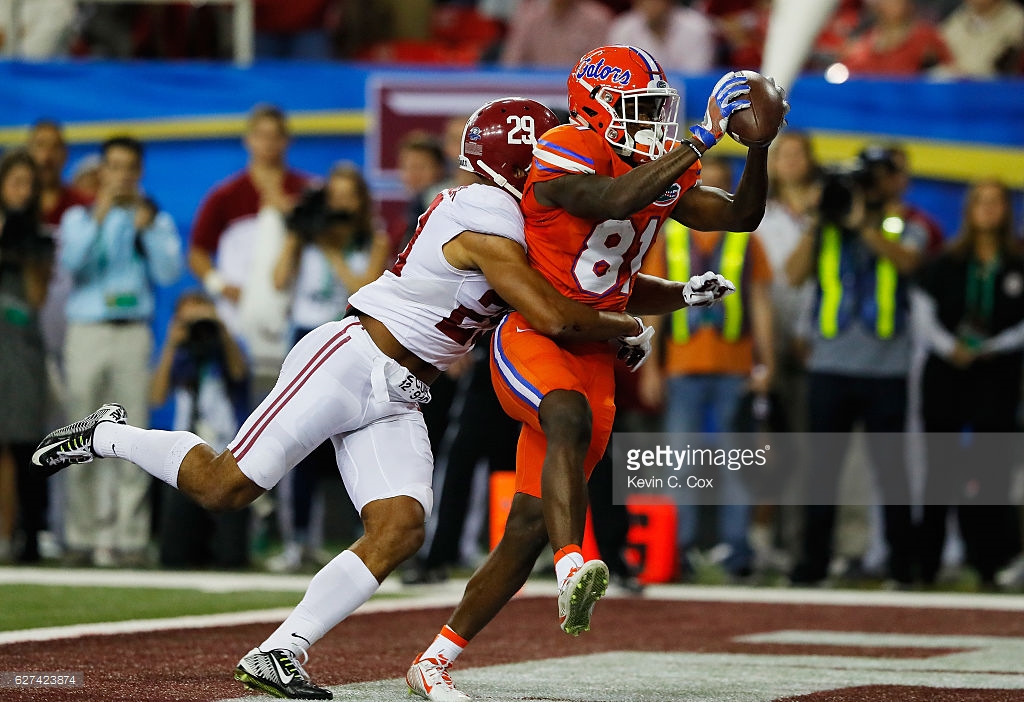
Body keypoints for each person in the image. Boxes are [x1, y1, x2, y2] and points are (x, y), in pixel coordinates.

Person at [33, 97, 662, 700]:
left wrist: (662, 300)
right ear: (519, 161)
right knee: (225, 488)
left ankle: (282, 649)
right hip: (353, 358)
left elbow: (591, 287)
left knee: (401, 527)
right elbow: (553, 312)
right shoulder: (484, 213)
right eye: (547, 154)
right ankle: (107, 434)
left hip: (403, 391)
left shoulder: (524, 220)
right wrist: (626, 328)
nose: (563, 163)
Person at [408, 46, 785, 701]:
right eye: (637, 109)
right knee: (564, 413)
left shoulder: (656, 166)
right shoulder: (565, 147)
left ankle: (433, 662)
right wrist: (701, 139)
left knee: (524, 526)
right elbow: (613, 199)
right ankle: (574, 564)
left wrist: (759, 150)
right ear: (594, 108)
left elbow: (741, 217)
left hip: (597, 353)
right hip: (535, 331)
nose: (651, 123)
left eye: (656, 111)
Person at [785, 152, 926, 587]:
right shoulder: (824, 228)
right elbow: (793, 275)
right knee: (822, 470)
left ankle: (904, 567)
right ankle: (813, 566)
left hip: (886, 369)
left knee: (892, 472)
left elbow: (910, 263)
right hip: (830, 366)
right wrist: (817, 219)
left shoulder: (902, 222)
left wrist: (863, 223)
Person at [642, 156, 775, 580]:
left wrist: (766, 361)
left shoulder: (747, 241)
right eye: (705, 187)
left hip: (735, 367)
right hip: (681, 367)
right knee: (680, 463)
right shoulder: (670, 238)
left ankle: (737, 552)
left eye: (721, 187)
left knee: (736, 463)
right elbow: (654, 304)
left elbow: (759, 302)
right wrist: (649, 366)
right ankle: (677, 551)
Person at [57, 135, 184, 568]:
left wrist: (146, 228)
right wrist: (100, 215)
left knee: (133, 434)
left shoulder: (154, 219)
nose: (123, 175)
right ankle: (81, 535)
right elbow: (72, 264)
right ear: (102, 172)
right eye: (115, 167)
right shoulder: (79, 217)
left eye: (131, 167)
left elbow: (169, 272)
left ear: (140, 172)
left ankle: (128, 538)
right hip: (87, 331)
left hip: (132, 333)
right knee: (79, 434)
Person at [267, 162, 390, 572]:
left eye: (347, 196)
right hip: (304, 336)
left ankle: (365, 541)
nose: (339, 204)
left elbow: (366, 291)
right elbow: (279, 280)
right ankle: (297, 539)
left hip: (349, 339)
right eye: (332, 196)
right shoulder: (307, 236)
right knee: (295, 441)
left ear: (360, 201)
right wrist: (298, 236)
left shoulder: (372, 237)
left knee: (348, 443)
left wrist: (333, 250)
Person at [912, 179, 1024, 587]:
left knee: (991, 470)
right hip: (946, 373)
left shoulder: (1017, 262)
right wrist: (949, 347)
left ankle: (988, 564)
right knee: (939, 469)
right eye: (981, 202)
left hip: (996, 374)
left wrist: (996, 345)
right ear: (969, 209)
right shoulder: (945, 262)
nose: (989, 209)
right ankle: (927, 565)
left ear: (1007, 210)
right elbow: (923, 313)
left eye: (997, 202)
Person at [189, 103, 311, 372]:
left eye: (275, 136)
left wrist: (290, 211)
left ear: (286, 141)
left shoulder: (305, 192)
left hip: (291, 310)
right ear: (248, 140)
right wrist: (220, 285)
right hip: (237, 312)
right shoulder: (225, 196)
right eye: (261, 135)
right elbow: (197, 251)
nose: (268, 143)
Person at [151, 290, 251, 569]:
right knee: (173, 558)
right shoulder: (180, 354)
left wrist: (221, 330)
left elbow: (239, 374)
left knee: (232, 558)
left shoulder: (229, 347)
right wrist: (172, 345)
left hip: (227, 454)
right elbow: (156, 397)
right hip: (184, 458)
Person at [0, 150, 54, 563]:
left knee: (22, 444)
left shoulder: (38, 238)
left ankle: (28, 534)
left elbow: (37, 297)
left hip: (22, 350)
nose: (21, 191)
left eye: (27, 184)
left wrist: (27, 250)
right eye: (14, 182)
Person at [607, 0, 715, 73]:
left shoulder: (697, 28)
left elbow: (697, 77)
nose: (650, 5)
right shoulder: (623, 28)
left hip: (688, 100)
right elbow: (622, 74)